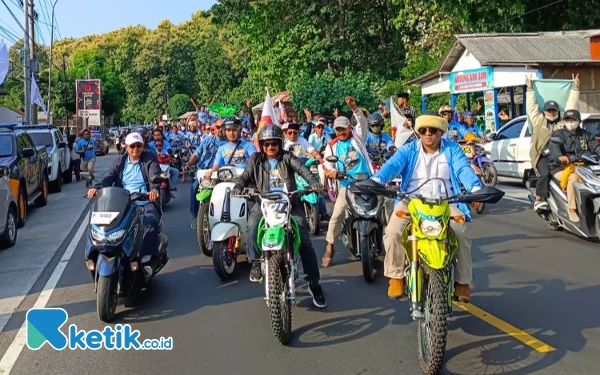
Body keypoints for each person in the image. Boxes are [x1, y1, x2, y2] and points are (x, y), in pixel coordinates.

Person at [371, 114, 482, 302]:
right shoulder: (408, 150)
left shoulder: (453, 149)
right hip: (411, 201)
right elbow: (392, 166)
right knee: (392, 231)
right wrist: (376, 180)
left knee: (460, 232)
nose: (428, 134)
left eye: (433, 130)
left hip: (446, 202)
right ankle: (396, 276)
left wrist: (476, 188)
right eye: (423, 130)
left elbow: (463, 169)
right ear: (418, 132)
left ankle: (462, 282)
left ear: (441, 132)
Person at [232, 124, 327, 308]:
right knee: (251, 226)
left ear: (279, 143)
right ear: (261, 145)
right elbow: (244, 177)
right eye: (266, 144)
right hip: (264, 203)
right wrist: (238, 188)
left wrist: (314, 182)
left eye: (273, 144)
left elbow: (303, 170)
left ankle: (314, 284)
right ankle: (256, 263)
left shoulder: (287, 157)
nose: (270, 148)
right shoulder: (255, 159)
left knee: (305, 242)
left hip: (289, 203)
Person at [86, 132, 166, 260]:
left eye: (139, 145)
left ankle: (148, 258)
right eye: (132, 146)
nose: (136, 149)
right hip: (122, 201)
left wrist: (154, 190)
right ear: (126, 147)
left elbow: (154, 175)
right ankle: (95, 254)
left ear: (143, 146)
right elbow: (108, 176)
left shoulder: (150, 158)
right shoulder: (120, 160)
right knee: (100, 223)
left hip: (143, 200)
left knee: (150, 222)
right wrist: (96, 188)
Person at [321, 96, 373, 267]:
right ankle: (330, 246)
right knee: (336, 214)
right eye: (337, 129)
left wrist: (354, 107)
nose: (340, 132)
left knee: (386, 208)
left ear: (349, 127)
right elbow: (327, 164)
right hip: (347, 185)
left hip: (367, 182)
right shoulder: (331, 145)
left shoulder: (357, 137)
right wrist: (333, 172)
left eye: (343, 128)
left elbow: (363, 123)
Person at [528, 74, 580, 213]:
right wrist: (529, 89)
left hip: (560, 155)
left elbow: (571, 106)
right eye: (548, 110)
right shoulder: (538, 121)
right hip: (542, 156)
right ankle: (539, 199)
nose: (551, 113)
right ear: (544, 111)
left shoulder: (563, 123)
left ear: (558, 111)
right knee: (545, 173)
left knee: (574, 173)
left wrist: (575, 87)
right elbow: (531, 107)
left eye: (554, 110)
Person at [548, 109, 600, 223]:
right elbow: (554, 147)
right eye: (567, 120)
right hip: (561, 168)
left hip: (583, 168)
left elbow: (596, 148)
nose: (570, 122)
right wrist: (560, 157)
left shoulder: (586, 135)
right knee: (573, 178)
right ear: (564, 121)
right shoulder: (558, 134)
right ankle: (571, 209)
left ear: (579, 121)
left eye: (573, 120)